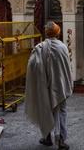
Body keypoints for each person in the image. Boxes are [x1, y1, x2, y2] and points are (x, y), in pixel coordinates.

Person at [25, 21, 73, 150]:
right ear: (58, 33)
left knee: (45, 109)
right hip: (60, 85)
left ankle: (47, 138)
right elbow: (67, 68)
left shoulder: (39, 48)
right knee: (61, 111)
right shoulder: (62, 47)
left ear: (46, 33)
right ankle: (61, 140)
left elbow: (32, 66)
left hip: (44, 85)